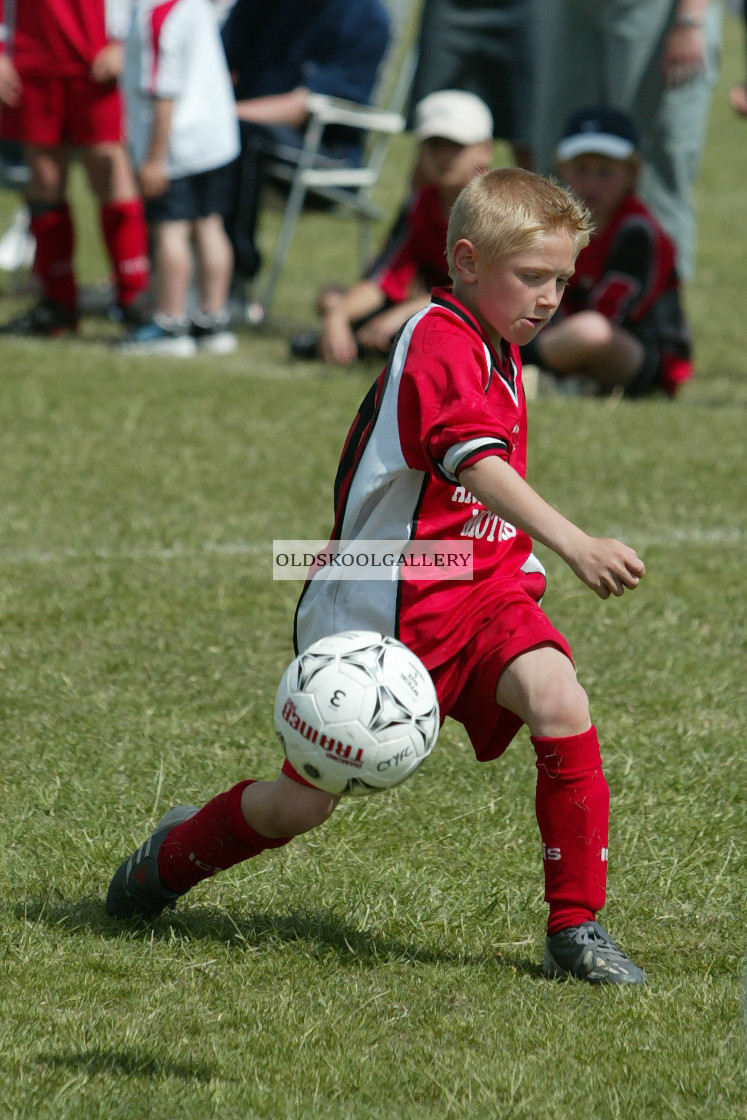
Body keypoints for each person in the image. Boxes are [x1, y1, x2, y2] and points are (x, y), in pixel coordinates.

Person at [106, 166, 648, 986]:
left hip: (480, 587)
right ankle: (174, 856)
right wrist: (573, 542)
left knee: (559, 700)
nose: (548, 297)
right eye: (531, 277)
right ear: (466, 261)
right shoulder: (437, 338)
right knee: (303, 804)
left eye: (562, 279)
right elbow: (474, 465)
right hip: (383, 612)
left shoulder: (496, 338)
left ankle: (575, 926)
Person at [290, 90, 494, 365]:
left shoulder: (496, 211)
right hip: (430, 307)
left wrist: (410, 312)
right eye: (435, 145)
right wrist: (337, 315)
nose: (445, 157)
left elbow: (485, 294)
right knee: (332, 299)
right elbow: (384, 279)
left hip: (480, 318)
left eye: (456, 146)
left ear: (485, 150)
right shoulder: (422, 203)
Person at [531, 0, 723, 282]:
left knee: (653, 173)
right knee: (558, 162)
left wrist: (689, 18)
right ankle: (558, 302)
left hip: (656, 11)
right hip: (566, 9)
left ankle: (655, 311)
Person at [220, 0, 390, 296]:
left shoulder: (365, 16)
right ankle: (156, 273)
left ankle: (233, 278)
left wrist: (217, 116)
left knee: (242, 136)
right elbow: (214, 63)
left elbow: (302, 106)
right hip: (237, 129)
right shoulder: (256, 6)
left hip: (326, 152)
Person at [0, 0, 150, 336]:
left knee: (110, 171)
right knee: (44, 179)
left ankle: (134, 297)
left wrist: (125, 42)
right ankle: (58, 303)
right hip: (31, 57)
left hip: (96, 57)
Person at [522, 107, 693, 397]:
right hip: (564, 340)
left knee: (591, 331)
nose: (591, 183)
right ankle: (560, 377)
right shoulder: (555, 225)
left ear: (632, 174)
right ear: (561, 168)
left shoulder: (637, 230)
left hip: (639, 353)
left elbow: (613, 310)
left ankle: (520, 366)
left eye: (605, 172)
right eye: (581, 169)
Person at [117, 0, 241, 356]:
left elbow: (163, 92)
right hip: (216, 139)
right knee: (210, 224)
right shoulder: (193, 6)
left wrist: (154, 158)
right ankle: (213, 320)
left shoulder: (159, 17)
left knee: (170, 228)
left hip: (177, 142)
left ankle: (169, 324)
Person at [407, 0, 536, 170]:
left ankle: (537, 196)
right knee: (432, 119)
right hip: (451, 6)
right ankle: (419, 197)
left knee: (527, 126)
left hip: (529, 6)